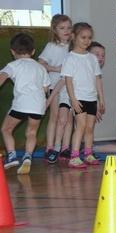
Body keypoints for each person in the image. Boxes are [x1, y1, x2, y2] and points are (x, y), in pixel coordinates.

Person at [0, 33, 50, 174]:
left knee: (6, 129)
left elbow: (2, 77)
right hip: (38, 105)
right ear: (33, 51)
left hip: (21, 104)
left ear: (12, 51)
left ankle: (12, 156)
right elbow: (46, 88)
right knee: (31, 132)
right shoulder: (40, 67)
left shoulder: (13, 65)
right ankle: (28, 157)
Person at [60, 23, 105, 169]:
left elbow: (97, 78)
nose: (87, 41)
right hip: (78, 98)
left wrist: (101, 98)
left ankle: (88, 153)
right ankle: (74, 156)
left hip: (91, 98)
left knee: (90, 127)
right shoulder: (70, 58)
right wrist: (73, 99)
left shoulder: (92, 58)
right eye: (83, 37)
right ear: (74, 37)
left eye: (89, 38)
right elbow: (68, 80)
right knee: (80, 126)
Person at [37, 14, 72, 163]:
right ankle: (50, 147)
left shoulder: (73, 46)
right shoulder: (52, 46)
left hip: (70, 86)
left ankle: (65, 147)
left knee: (69, 118)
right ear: (55, 30)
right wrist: (56, 68)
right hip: (54, 85)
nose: (66, 31)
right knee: (55, 116)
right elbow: (40, 63)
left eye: (69, 27)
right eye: (62, 28)